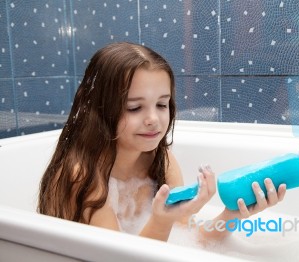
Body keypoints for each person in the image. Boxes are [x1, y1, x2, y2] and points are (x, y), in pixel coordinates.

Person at [38, 42, 286, 242]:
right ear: (100, 110)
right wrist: (161, 221)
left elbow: (186, 241)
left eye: (162, 104)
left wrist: (232, 215)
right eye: (134, 108)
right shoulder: (83, 176)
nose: (153, 119)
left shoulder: (161, 160)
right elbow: (118, 258)